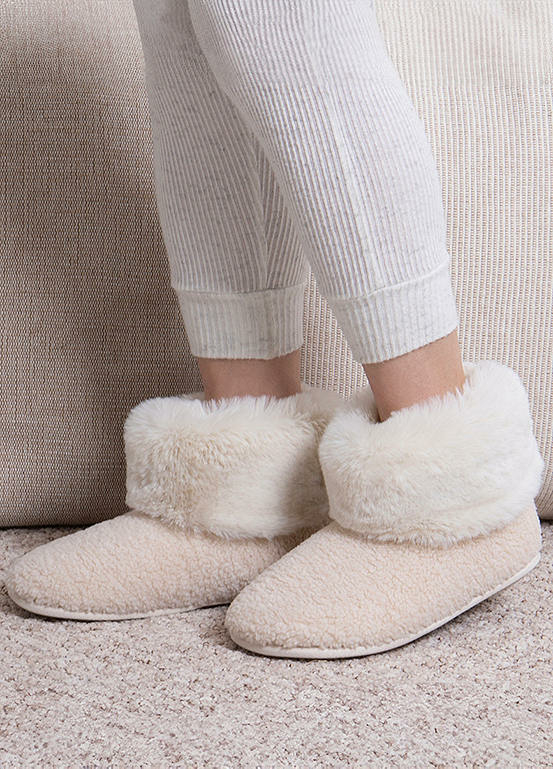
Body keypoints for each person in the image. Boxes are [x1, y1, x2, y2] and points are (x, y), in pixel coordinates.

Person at [5, 0, 543, 659]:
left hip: (451, 499)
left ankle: (451, 500)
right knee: (182, 21)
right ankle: (249, 489)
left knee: (280, 12)